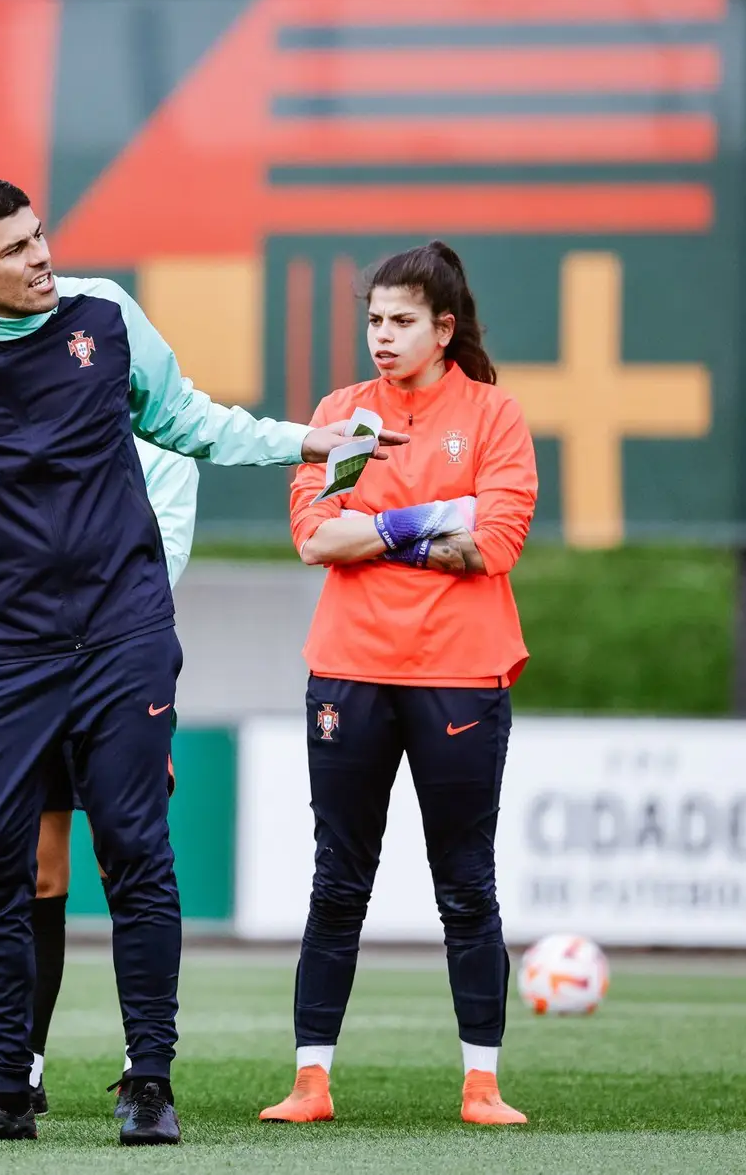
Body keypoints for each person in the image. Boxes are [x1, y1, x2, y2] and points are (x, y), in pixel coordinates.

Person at [0, 177, 404, 1146]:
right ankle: (4, 1092)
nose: (41, 258)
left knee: (136, 852)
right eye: (16, 250)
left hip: (122, 634)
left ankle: (148, 1082)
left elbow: (193, 420)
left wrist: (311, 444)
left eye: (40, 237)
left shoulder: (105, 318)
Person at [268, 240, 536, 1128]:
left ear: (444, 328)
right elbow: (313, 537)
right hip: (348, 669)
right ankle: (311, 1081)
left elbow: (491, 545)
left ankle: (482, 1084)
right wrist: (431, 520)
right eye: (374, 320)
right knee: (337, 880)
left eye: (402, 321)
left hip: (463, 673)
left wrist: (371, 527)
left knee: (466, 883)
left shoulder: (494, 416)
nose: (383, 337)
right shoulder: (343, 414)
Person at [18, 435, 198, 1117]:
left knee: (132, 854)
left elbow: (162, 561)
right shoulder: (26, 419)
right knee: (32, 869)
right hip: (28, 665)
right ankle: (20, 1069)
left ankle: (146, 1072)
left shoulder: (169, 448)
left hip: (123, 664)